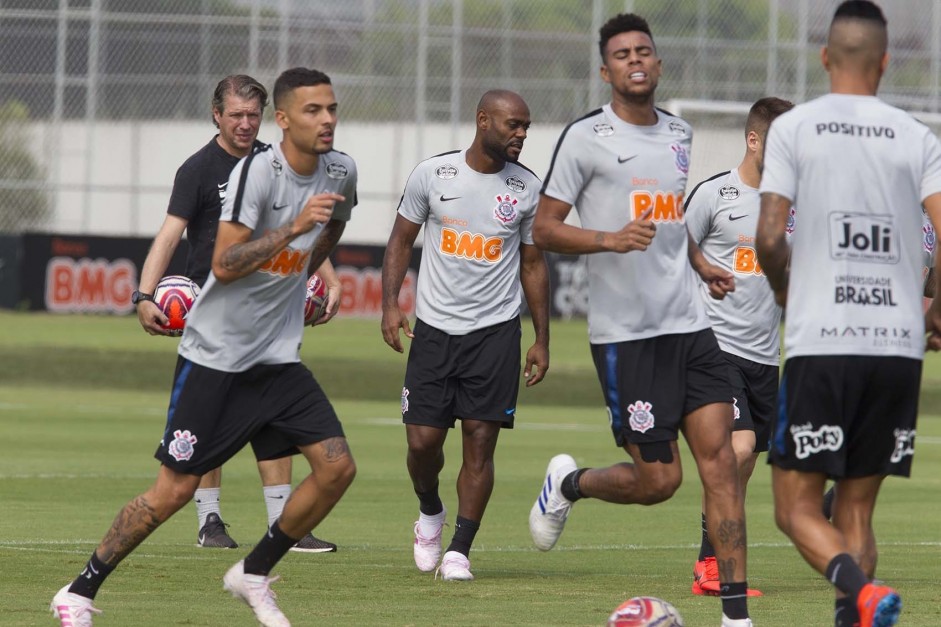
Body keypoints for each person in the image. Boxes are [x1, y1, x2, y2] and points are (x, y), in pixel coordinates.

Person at [51, 67, 359, 627]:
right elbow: (224, 263)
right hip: (216, 355)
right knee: (172, 492)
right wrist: (291, 230)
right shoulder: (252, 176)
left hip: (277, 360)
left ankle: (253, 572)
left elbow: (335, 222)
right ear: (287, 120)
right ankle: (78, 590)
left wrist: (311, 279)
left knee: (337, 469)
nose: (328, 119)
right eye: (314, 110)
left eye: (332, 108)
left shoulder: (341, 169)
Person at [526, 13, 753, 627]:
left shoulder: (679, 133)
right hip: (627, 339)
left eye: (644, 51)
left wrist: (700, 265)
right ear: (606, 71)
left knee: (723, 467)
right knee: (660, 482)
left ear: (657, 63)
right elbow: (543, 227)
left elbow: (672, 226)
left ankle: (736, 618)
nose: (635, 60)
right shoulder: (584, 137)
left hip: (692, 328)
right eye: (622, 53)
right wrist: (608, 238)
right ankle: (569, 485)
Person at [756, 2, 941, 626]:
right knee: (855, 512)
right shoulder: (917, 135)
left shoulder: (795, 128)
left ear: (825, 57)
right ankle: (861, 606)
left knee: (795, 509)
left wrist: (784, 289)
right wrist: (935, 308)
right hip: (896, 346)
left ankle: (862, 593)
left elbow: (769, 234)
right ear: (886, 62)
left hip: (824, 339)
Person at [133, 73, 337, 554]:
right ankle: (209, 523)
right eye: (236, 115)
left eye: (253, 115)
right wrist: (143, 296)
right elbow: (169, 234)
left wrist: (331, 278)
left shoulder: (276, 163)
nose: (246, 124)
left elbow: (304, 225)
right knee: (206, 422)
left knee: (277, 419)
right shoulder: (198, 169)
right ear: (216, 115)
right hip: (213, 321)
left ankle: (285, 525)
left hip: (269, 314)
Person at [381, 89, 550, 581]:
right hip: (433, 332)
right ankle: (430, 512)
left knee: (480, 441)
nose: (521, 134)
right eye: (513, 125)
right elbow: (399, 241)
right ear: (483, 121)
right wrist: (391, 304)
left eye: (525, 127)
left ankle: (459, 549)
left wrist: (541, 337)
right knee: (422, 444)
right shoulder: (433, 174)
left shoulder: (527, 188)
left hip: (495, 335)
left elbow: (534, 263)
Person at [684, 96, 794, 598]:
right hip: (714, 347)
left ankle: (714, 554)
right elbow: (672, 249)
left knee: (741, 466)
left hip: (765, 356)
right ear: (753, 140)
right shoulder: (714, 194)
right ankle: (711, 566)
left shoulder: (793, 206)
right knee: (739, 448)